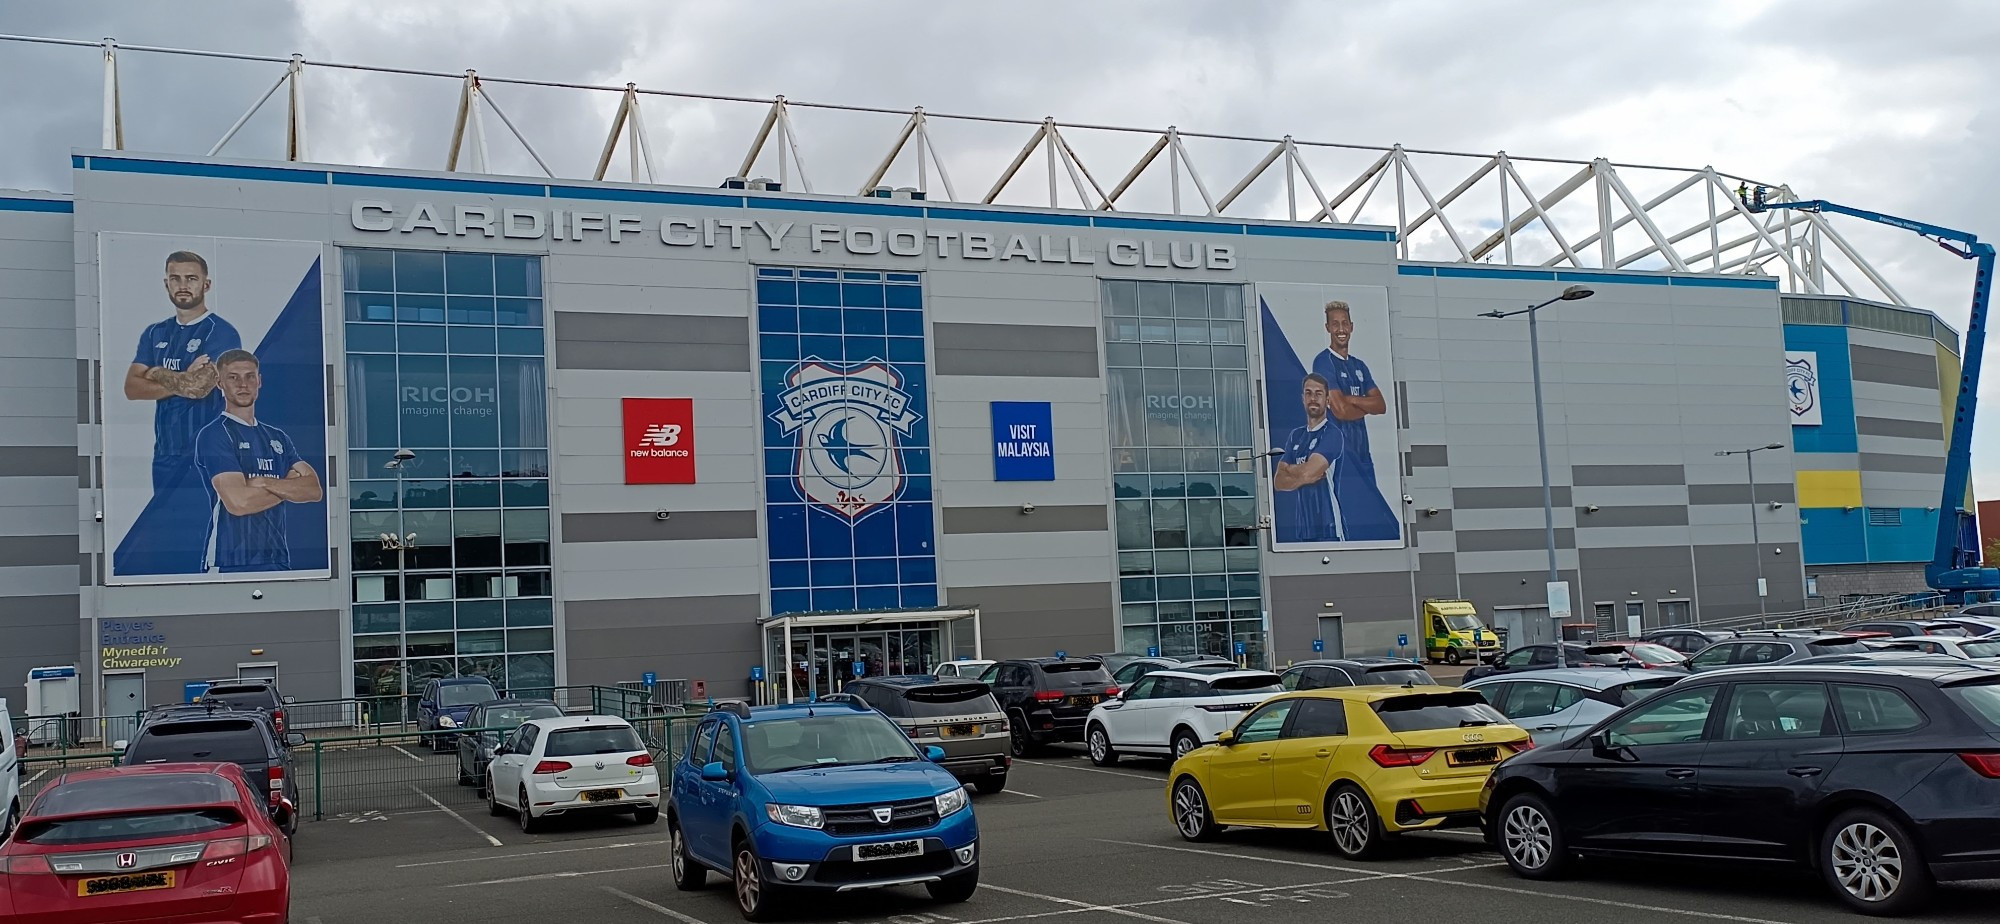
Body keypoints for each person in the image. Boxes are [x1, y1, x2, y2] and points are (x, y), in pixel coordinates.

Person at [117, 250, 242, 573]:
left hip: (203, 453)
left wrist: (157, 372)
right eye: (175, 278)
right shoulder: (155, 333)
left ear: (206, 284)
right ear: (166, 283)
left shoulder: (221, 332)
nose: (183, 285)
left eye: (191, 278)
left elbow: (199, 388)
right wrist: (181, 377)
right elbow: (132, 388)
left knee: (198, 535)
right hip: (165, 453)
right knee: (167, 537)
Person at [194, 350, 323, 573]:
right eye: (233, 377)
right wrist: (288, 486)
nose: (243, 384)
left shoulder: (278, 437)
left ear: (259, 381)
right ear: (220, 383)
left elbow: (313, 489)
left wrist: (262, 482)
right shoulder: (215, 434)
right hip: (230, 561)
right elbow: (239, 503)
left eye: (250, 376)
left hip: (278, 558)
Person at [1310, 300, 1399, 540]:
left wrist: (1351, 400)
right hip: (1340, 455)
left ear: (1352, 326)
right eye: (1335, 324)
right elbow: (1340, 411)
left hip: (1363, 452)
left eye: (1344, 323)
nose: (1341, 328)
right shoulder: (1323, 362)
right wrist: (1362, 405)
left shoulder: (1359, 366)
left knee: (1370, 515)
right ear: (1327, 327)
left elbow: (1381, 406)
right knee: (1348, 516)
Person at [1272, 374, 1341, 542]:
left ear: (1327, 399)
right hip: (1304, 529)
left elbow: (1309, 473)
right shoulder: (1296, 436)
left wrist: (1292, 470)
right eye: (1309, 393)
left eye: (1318, 394)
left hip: (1329, 528)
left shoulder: (1332, 434)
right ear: (1303, 398)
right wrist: (1302, 475)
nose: (1313, 398)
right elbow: (1279, 482)